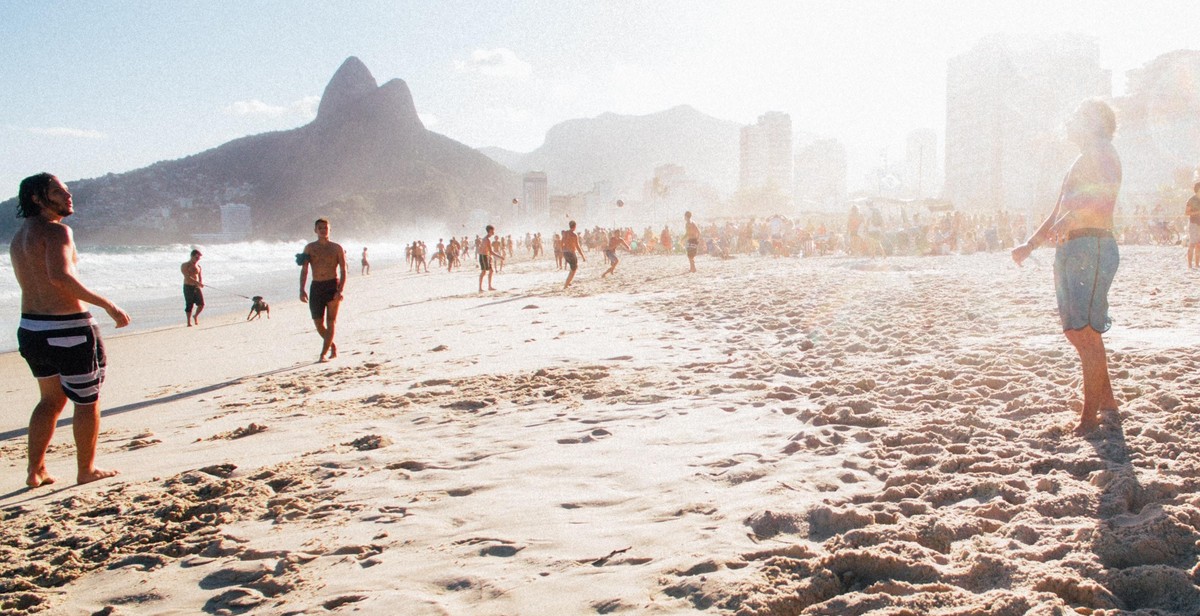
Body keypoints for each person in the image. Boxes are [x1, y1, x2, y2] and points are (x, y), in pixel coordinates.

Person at [10, 173, 131, 487]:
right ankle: (86, 469)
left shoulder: (19, 236)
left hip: (31, 329)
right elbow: (61, 276)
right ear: (37, 199)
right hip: (68, 329)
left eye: (67, 191)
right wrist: (107, 304)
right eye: (58, 192)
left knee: (49, 401)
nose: (68, 196)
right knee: (87, 401)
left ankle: (35, 471)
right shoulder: (57, 232)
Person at [1012, 99, 1122, 435]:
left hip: (1093, 245)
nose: (1069, 122)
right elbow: (1057, 209)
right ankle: (1107, 402)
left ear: (1094, 122)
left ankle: (1089, 418)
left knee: (1087, 331)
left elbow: (1102, 200)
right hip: (1071, 248)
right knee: (1076, 331)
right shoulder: (1080, 159)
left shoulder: (1104, 152)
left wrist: (1068, 218)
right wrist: (1030, 245)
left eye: (1076, 117)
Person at [299, 218, 347, 362]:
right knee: (318, 322)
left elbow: (344, 270)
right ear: (315, 230)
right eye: (320, 228)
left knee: (331, 321)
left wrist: (340, 290)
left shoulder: (337, 248)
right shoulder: (309, 248)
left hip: (332, 285)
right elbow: (304, 269)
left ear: (330, 229)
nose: (323, 230)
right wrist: (301, 289)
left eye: (325, 227)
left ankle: (323, 354)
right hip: (316, 287)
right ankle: (331, 345)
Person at [181, 249, 204, 326]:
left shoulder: (198, 266)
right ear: (192, 256)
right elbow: (187, 277)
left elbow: (200, 277)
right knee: (189, 304)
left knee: (201, 304)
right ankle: (188, 322)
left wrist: (200, 283)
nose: (197, 259)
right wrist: (197, 282)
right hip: (188, 286)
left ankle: (195, 316)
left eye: (199, 258)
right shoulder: (185, 265)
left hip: (196, 287)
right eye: (196, 257)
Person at [561, 220, 586, 288]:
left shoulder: (565, 233)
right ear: (575, 226)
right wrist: (583, 256)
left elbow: (562, 242)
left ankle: (568, 282)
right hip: (571, 253)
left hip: (565, 252)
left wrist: (562, 250)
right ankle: (566, 285)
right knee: (574, 269)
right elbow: (577, 246)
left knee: (572, 268)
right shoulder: (574, 235)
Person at [478, 225, 503, 291]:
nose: (493, 232)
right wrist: (500, 257)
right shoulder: (486, 240)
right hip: (483, 256)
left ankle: (489, 286)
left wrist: (489, 256)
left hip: (485, 256)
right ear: (489, 232)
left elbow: (486, 250)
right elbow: (490, 251)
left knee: (491, 271)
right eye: (492, 231)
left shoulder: (486, 239)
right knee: (483, 272)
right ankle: (480, 288)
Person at [1186, 182, 1200, 269]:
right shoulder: (1191, 200)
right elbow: (1187, 212)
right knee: (1192, 244)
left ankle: (1197, 264)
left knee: (1199, 244)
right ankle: (1190, 264)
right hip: (1194, 224)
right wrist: (1198, 212)